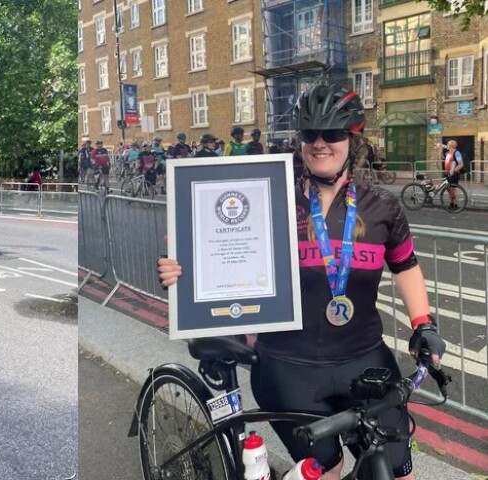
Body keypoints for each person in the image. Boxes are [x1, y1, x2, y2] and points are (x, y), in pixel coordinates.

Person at [157, 83, 446, 480]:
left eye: (332, 134)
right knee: (325, 471)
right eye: (310, 135)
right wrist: (182, 270)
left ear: (353, 140)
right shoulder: (269, 196)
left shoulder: (383, 205)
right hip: (288, 367)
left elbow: (405, 265)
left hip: (365, 361)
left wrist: (423, 325)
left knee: (398, 473)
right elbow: (218, 246)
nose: (320, 144)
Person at [440, 140, 464, 209]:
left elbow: (461, 164)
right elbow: (442, 157)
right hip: (448, 173)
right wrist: (441, 150)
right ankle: (451, 203)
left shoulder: (456, 153)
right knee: (448, 188)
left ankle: (455, 204)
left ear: (452, 145)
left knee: (453, 189)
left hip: (454, 173)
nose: (446, 145)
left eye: (448, 144)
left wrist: (454, 170)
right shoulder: (448, 153)